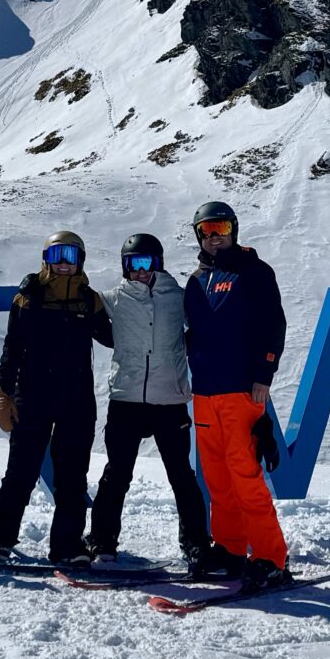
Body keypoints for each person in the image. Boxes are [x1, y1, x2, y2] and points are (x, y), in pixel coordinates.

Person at [0, 231, 111, 566]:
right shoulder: (29, 297)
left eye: (71, 256)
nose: (64, 263)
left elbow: (115, 337)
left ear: (81, 261)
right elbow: (12, 348)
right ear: (46, 259)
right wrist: (4, 393)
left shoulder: (89, 300)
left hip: (76, 399)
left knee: (72, 476)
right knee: (21, 471)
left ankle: (67, 546)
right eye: (57, 255)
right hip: (33, 395)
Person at [182, 199, 293, 591]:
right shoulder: (196, 281)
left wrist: (264, 372)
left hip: (241, 390)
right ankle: (230, 548)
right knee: (217, 476)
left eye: (221, 229)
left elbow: (274, 325)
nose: (214, 237)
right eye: (207, 231)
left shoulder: (254, 271)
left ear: (234, 230)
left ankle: (271, 557)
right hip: (205, 392)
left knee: (245, 475)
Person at [87, 233, 209, 565]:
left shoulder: (179, 298)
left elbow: (205, 327)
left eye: (147, 263)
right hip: (126, 399)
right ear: (124, 267)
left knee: (181, 475)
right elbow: (80, 306)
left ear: (159, 263)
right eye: (133, 264)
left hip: (169, 401)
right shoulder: (114, 298)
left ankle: (196, 543)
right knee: (116, 473)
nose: (140, 271)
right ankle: (102, 541)